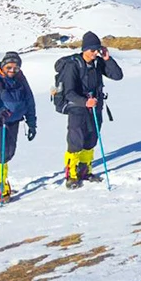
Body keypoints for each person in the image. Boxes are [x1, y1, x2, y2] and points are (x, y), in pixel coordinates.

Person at [56, 32, 123, 189]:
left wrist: (107, 58)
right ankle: (71, 175)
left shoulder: (97, 63)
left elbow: (118, 75)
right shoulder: (74, 65)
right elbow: (69, 92)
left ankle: (85, 171)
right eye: (92, 50)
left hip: (95, 107)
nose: (94, 53)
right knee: (75, 142)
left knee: (91, 139)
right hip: (77, 108)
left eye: (97, 49)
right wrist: (85, 101)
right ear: (84, 49)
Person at [0, 51, 37, 201]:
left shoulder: (20, 79)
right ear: (3, 65)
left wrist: (32, 124)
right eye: (9, 67)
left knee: (9, 152)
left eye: (16, 68)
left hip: (14, 121)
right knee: (3, 152)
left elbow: (29, 101)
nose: (12, 71)